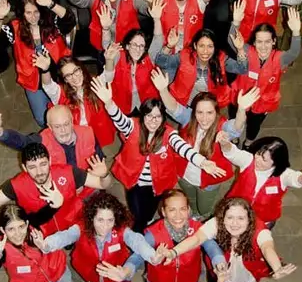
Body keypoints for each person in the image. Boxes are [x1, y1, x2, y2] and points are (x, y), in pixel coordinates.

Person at [90, 77, 224, 233]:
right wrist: (109, 102)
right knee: (137, 213)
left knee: (151, 208)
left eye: (158, 116)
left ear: (163, 118)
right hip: (135, 182)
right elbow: (118, 118)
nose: (153, 120)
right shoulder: (133, 126)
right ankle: (139, 229)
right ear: (142, 116)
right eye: (149, 115)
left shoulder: (169, 133)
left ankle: (145, 221)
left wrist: (202, 162)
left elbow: (183, 148)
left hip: (158, 184)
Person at [161, 197, 296, 282]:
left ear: (249, 219)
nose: (235, 223)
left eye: (241, 218)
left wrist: (277, 268)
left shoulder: (260, 230)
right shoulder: (215, 223)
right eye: (230, 217)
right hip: (223, 266)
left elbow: (267, 248)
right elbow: (196, 239)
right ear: (222, 217)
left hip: (250, 268)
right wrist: (173, 252)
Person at [32, 191, 161, 282]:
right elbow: (64, 236)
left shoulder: (121, 230)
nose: (105, 226)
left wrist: (152, 256)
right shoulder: (80, 228)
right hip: (90, 273)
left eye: (110, 220)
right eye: (100, 220)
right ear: (91, 217)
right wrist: (46, 245)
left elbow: (137, 241)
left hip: (119, 270)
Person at [151, 67, 259, 218]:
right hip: (184, 173)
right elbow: (173, 107)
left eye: (209, 113)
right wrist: (163, 90)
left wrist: (241, 109)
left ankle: (200, 215)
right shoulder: (189, 119)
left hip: (209, 180)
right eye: (199, 112)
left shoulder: (222, 126)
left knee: (204, 208)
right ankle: (193, 213)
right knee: (190, 199)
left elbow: (236, 127)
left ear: (216, 113)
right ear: (194, 112)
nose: (204, 118)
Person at [0, 142, 113, 236]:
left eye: (43, 164)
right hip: (43, 231)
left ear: (50, 161)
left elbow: (103, 184)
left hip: (74, 222)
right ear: (24, 168)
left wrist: (105, 174)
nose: (39, 172)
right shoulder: (16, 185)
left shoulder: (68, 172)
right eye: (32, 167)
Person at [0, 0, 74, 127]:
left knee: (67, 114)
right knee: (42, 119)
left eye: (36, 12)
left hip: (58, 76)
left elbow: (70, 20)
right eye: (28, 12)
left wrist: (51, 4)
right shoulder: (15, 28)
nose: (33, 17)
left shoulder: (52, 22)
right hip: (33, 80)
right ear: (22, 13)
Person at [228, 1, 302, 149]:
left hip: (263, 101)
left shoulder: (279, 58)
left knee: (254, 125)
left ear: (274, 42)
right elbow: (232, 41)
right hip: (240, 95)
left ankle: (248, 143)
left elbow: (293, 53)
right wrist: (235, 22)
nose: (263, 46)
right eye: (259, 42)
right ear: (254, 43)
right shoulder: (247, 52)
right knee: (235, 119)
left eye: (267, 42)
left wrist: (296, 32)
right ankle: (234, 138)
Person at [215, 133, 302, 229]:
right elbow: (233, 153)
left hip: (262, 219)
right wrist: (225, 143)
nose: (257, 160)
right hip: (235, 210)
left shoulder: (283, 175)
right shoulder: (248, 160)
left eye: (264, 159)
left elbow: (295, 178)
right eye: (258, 154)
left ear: (276, 162)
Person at [69, 0, 148, 67]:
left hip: (127, 47)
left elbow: (148, 10)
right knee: (107, 76)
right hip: (101, 47)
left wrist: (151, 1)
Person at [101, 0, 166, 116]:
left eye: (141, 46)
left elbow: (158, 40)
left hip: (146, 102)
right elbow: (107, 46)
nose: (138, 49)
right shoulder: (119, 55)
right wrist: (105, 28)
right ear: (127, 46)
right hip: (123, 102)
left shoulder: (148, 57)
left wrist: (157, 19)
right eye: (134, 45)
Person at [155, 28, 249, 108]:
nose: (205, 51)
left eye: (210, 46)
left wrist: (240, 49)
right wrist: (169, 46)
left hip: (210, 105)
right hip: (186, 103)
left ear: (215, 48)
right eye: (201, 46)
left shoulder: (221, 59)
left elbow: (242, 69)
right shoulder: (185, 56)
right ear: (195, 46)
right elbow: (161, 62)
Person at [39, 56, 117, 147]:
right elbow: (48, 86)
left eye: (76, 71)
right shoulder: (60, 94)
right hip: (75, 136)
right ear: (65, 80)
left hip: (96, 132)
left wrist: (110, 59)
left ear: (81, 69)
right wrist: (45, 70)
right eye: (68, 75)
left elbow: (108, 76)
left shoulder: (94, 83)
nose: (74, 77)